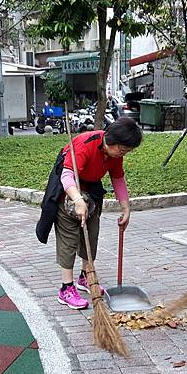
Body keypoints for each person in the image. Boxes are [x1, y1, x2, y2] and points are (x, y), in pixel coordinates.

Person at [36, 117, 142, 309]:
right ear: (111, 140)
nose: (123, 154)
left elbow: (118, 178)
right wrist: (77, 200)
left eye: (127, 151)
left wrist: (126, 208)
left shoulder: (115, 154)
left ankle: (85, 277)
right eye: (123, 150)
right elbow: (66, 175)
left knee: (91, 235)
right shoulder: (85, 145)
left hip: (92, 191)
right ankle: (66, 289)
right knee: (69, 239)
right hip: (67, 190)